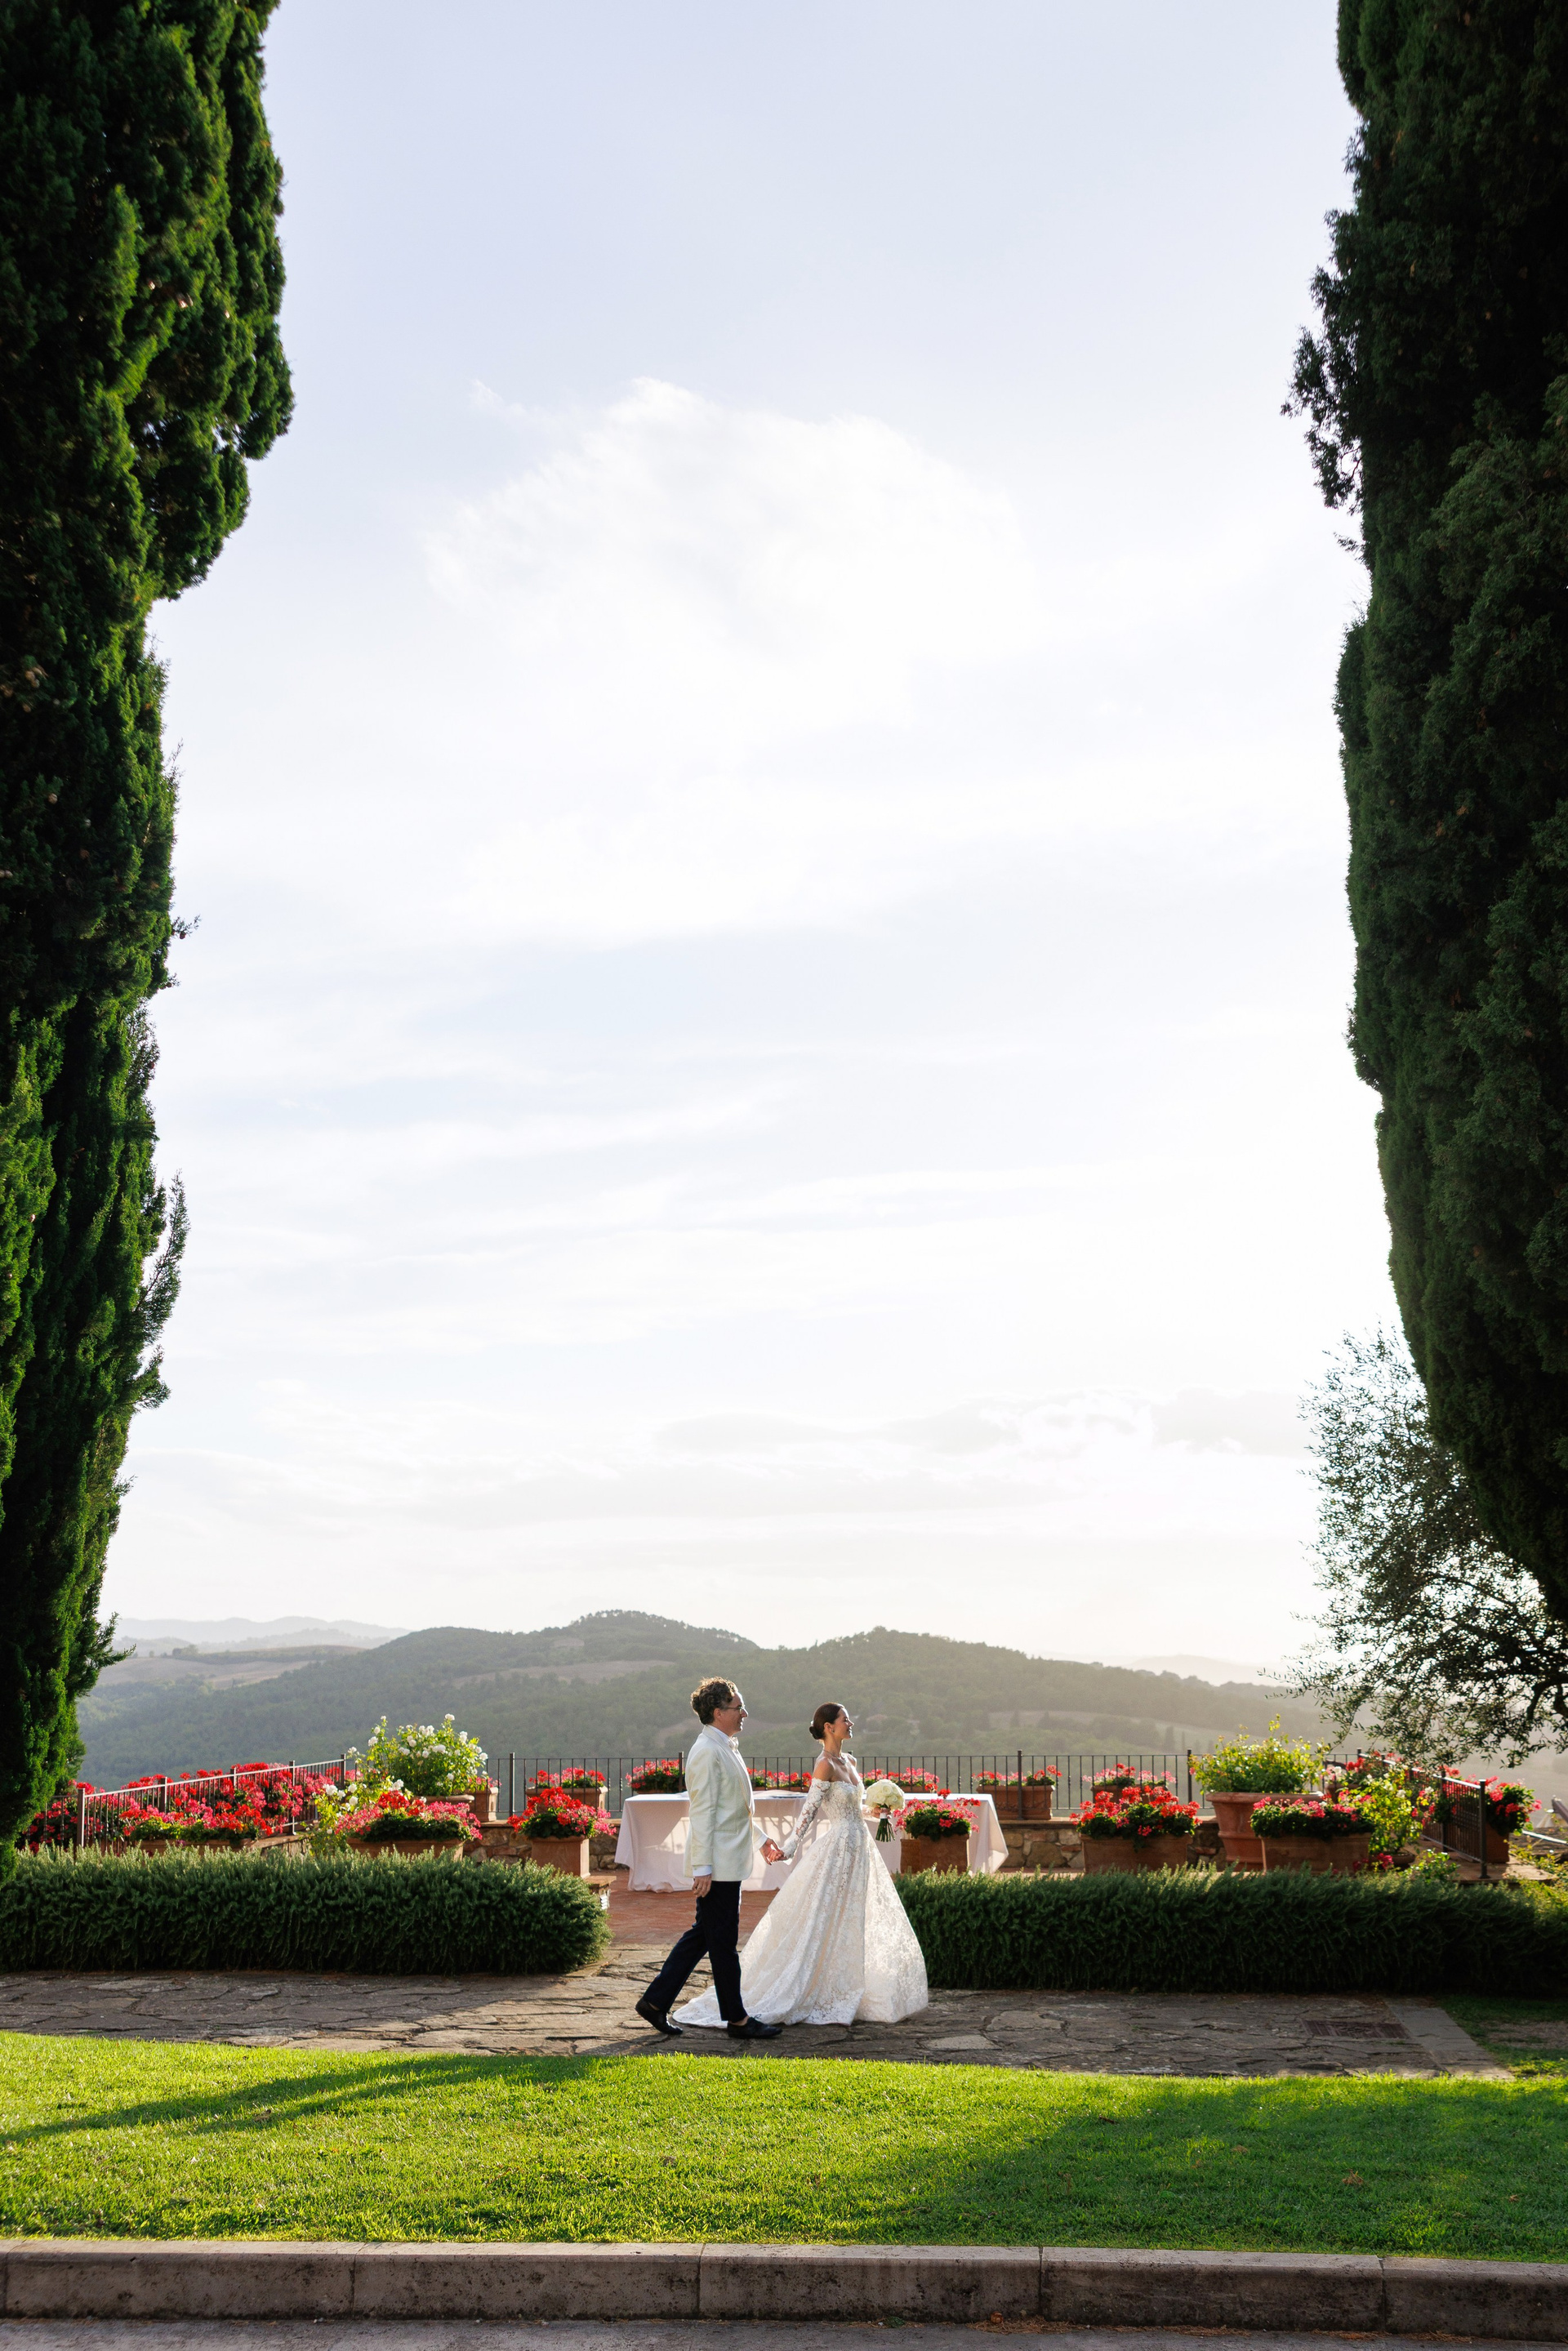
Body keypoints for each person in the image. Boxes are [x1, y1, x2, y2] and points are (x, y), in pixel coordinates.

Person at [673, 1700, 928, 2029]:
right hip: (838, 1849)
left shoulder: (850, 1761)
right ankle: (800, 1989)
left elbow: (854, 1809)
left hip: (861, 1848)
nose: (851, 1724)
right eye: (845, 1719)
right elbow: (809, 1811)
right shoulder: (824, 1765)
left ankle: (848, 1984)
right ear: (829, 1727)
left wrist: (877, 1812)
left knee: (855, 1914)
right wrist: (789, 1849)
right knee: (825, 1915)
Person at [635, 1677, 783, 2042]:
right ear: (719, 1712)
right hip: (717, 1865)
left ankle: (655, 2002)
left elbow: (733, 1810)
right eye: (738, 1707)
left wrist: (761, 1840)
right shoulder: (706, 1751)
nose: (744, 1713)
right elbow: (703, 1813)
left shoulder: (724, 1746)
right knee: (723, 1943)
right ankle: (738, 2020)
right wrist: (703, 1868)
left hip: (727, 1860)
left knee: (706, 1936)